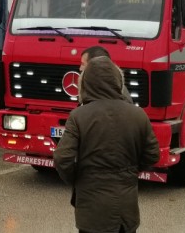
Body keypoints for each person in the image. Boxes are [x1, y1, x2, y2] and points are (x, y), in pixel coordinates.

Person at [54, 56, 160, 233]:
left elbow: (62, 158)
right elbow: (153, 155)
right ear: (118, 82)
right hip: (126, 212)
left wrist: (78, 179)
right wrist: (131, 171)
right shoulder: (138, 114)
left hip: (92, 213)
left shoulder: (79, 116)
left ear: (85, 84)